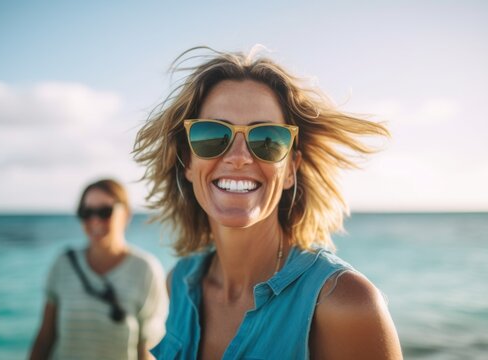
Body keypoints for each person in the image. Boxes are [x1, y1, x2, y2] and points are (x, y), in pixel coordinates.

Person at [133, 47, 403, 359]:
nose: (238, 158)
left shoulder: (344, 303)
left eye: (267, 140)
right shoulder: (179, 283)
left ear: (290, 168)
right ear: (188, 164)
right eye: (211, 135)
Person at [29, 179, 168, 360]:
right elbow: (44, 339)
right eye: (87, 213)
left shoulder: (146, 270)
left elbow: (148, 347)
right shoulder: (63, 264)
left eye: (104, 212)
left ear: (126, 214)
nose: (94, 221)